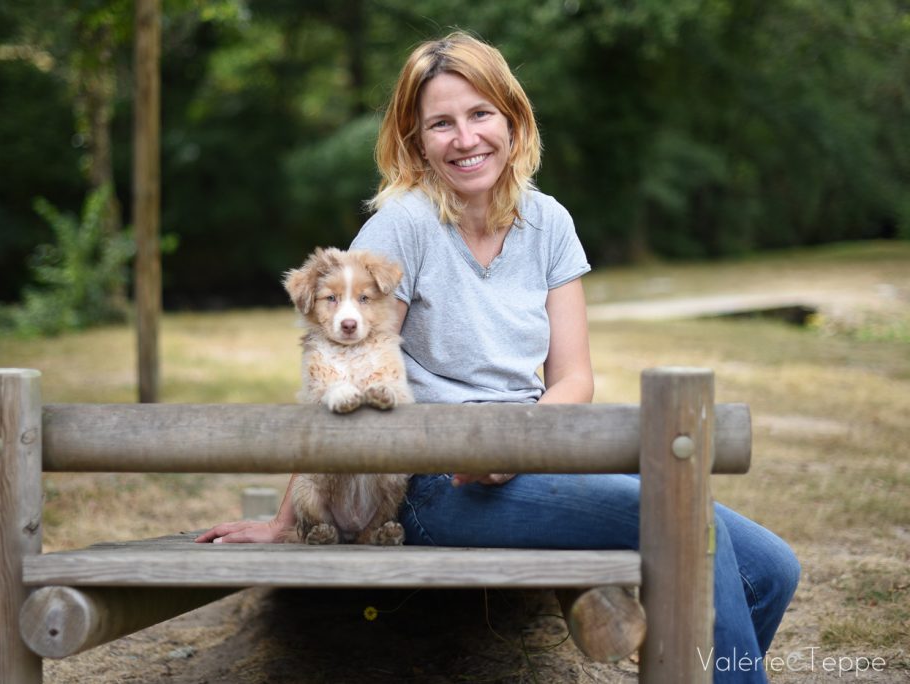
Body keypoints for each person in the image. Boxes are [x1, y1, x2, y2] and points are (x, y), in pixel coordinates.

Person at [197, 31, 800, 682]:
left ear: (513, 120)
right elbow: (345, 363)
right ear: (415, 141)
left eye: (480, 114)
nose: (465, 139)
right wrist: (289, 518)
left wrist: (518, 444)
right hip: (433, 485)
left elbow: (574, 378)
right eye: (441, 124)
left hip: (534, 459)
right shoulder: (402, 227)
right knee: (677, 516)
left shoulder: (550, 224)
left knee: (772, 569)